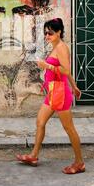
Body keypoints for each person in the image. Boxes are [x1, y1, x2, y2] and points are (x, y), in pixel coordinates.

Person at [16, 17, 85, 174]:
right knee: (40, 122)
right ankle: (33, 155)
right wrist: (74, 86)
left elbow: (66, 70)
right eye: (45, 33)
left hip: (60, 92)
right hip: (53, 92)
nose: (47, 36)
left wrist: (46, 65)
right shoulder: (55, 47)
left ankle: (79, 162)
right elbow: (66, 71)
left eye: (50, 33)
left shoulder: (61, 47)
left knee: (69, 129)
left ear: (59, 32)